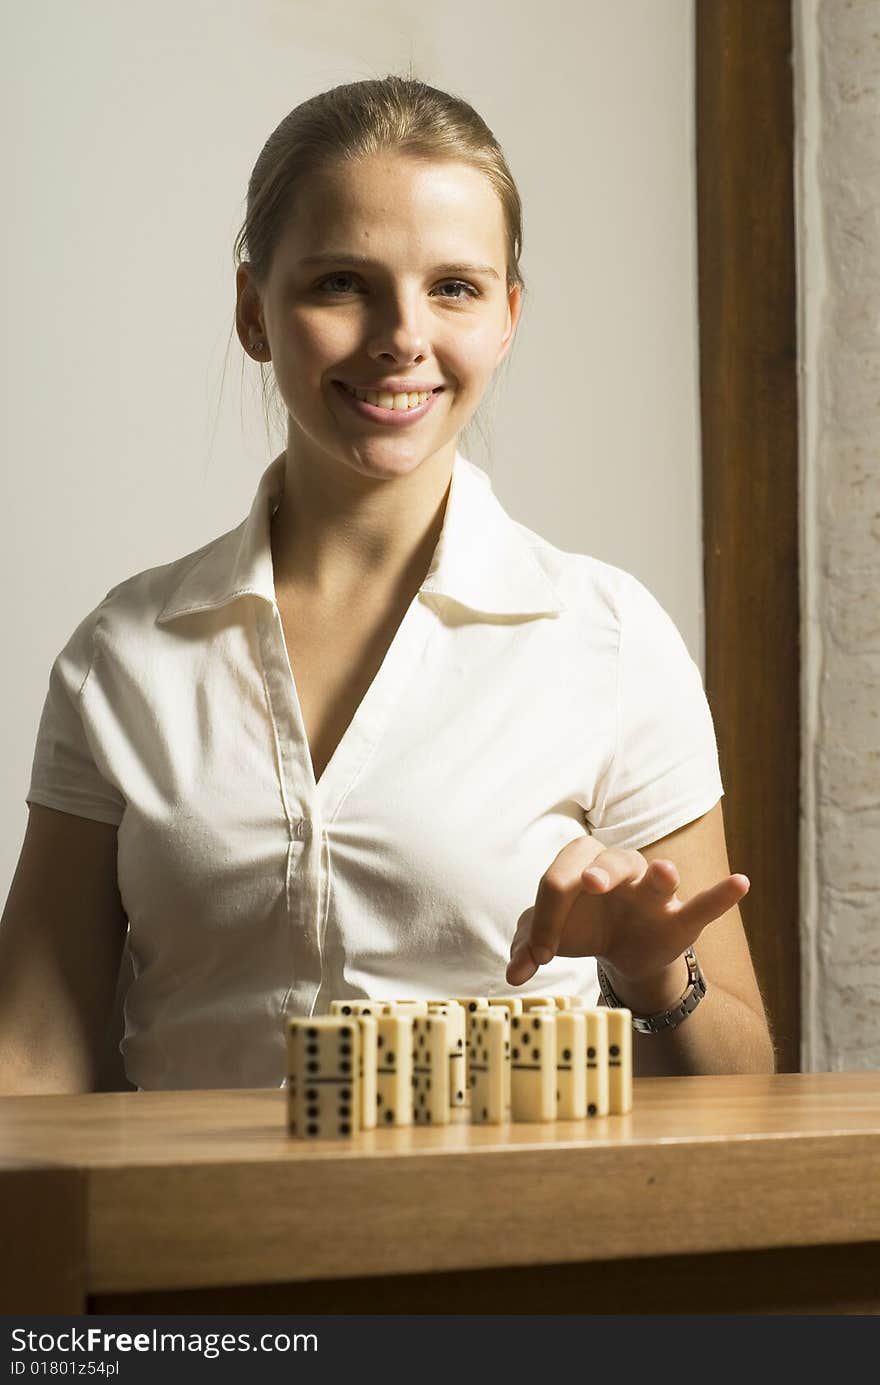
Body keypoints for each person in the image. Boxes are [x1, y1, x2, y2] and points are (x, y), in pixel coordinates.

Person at [0, 74, 775, 1094]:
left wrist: (648, 969)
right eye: (340, 283)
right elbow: (31, 1057)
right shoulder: (125, 650)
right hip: (192, 1246)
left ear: (506, 317)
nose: (400, 335)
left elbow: (745, 1084)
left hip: (514, 1244)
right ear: (253, 311)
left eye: (452, 286)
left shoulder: (609, 639)